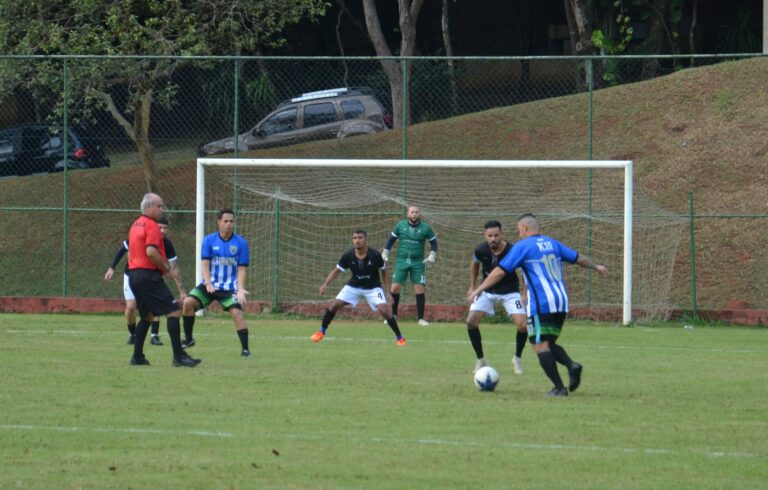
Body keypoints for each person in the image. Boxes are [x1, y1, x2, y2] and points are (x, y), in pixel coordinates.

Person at [467, 213, 607, 397]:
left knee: (539, 346)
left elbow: (499, 272)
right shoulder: (552, 243)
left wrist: (478, 289)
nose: (518, 235)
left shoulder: (522, 246)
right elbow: (578, 258)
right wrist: (596, 266)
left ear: (524, 228)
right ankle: (572, 366)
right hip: (561, 301)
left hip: (542, 303)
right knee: (547, 343)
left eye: (519, 231)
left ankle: (559, 388)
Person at [127, 193, 200, 367]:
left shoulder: (135, 225)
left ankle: (137, 357)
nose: (162, 209)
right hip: (147, 275)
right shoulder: (151, 226)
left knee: (147, 316)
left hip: (134, 276)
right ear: (148, 207)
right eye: (159, 206)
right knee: (174, 310)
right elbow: (151, 252)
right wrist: (166, 269)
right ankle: (178, 356)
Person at [311, 229, 406, 346]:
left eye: (360, 238)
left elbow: (384, 272)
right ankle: (321, 332)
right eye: (355, 238)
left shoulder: (375, 255)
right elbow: (336, 271)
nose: (357, 240)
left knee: (384, 310)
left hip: (373, 287)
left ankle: (400, 337)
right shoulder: (348, 255)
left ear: (366, 240)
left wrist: (388, 293)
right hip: (354, 286)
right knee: (334, 305)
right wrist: (325, 284)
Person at [105, 216, 185, 346]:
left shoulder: (167, 244)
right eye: (160, 227)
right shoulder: (141, 236)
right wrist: (111, 268)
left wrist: (181, 290)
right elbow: (122, 250)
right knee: (131, 307)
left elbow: (174, 267)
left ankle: (154, 336)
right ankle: (133, 334)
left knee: (155, 303)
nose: (163, 231)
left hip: (152, 276)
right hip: (132, 274)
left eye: (165, 228)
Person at [181, 209, 252, 358]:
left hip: (229, 288)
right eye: (225, 221)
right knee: (187, 302)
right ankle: (188, 339)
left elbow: (241, 269)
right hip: (210, 285)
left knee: (237, 313)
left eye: (231, 221)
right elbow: (205, 265)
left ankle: (245, 350)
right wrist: (207, 282)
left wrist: (240, 289)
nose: (229, 224)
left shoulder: (241, 243)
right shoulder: (208, 240)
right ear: (219, 222)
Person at [466, 220, 528, 375]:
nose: (493, 239)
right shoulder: (480, 249)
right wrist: (473, 286)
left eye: (496, 235)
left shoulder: (513, 250)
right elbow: (474, 263)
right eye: (490, 236)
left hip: (510, 291)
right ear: (485, 235)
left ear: (502, 234)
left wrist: (524, 293)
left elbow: (525, 271)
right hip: (486, 291)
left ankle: (517, 358)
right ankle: (480, 360)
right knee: (471, 322)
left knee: (523, 326)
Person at [381, 205, 438, 326]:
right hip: (401, 261)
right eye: (412, 212)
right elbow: (391, 240)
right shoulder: (400, 225)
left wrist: (432, 254)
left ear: (419, 214)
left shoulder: (426, 227)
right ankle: (393, 316)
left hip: (418, 263)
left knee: (419, 289)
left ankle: (421, 319)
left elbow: (434, 243)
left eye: (416, 212)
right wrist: (385, 251)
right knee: (394, 288)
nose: (414, 214)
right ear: (408, 214)